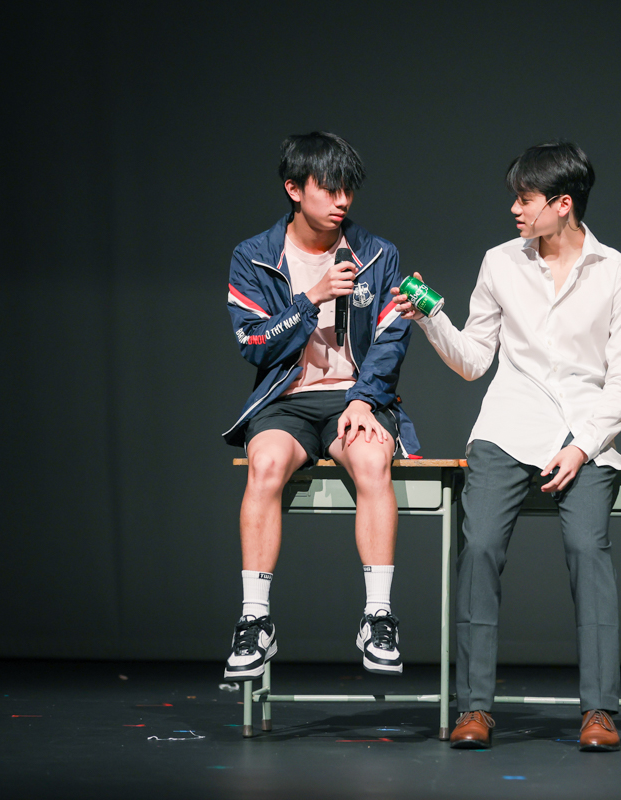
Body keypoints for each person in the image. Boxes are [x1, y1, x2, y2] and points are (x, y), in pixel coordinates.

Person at [392, 141, 621, 751]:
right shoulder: (499, 263)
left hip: (584, 431)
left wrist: (581, 447)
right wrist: (428, 317)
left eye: (526, 198)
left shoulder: (618, 272)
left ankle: (599, 712)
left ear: (563, 204)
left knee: (588, 549)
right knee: (478, 546)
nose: (515, 208)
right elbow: (475, 361)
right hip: (508, 425)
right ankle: (475, 708)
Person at [222, 132, 420, 682]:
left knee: (373, 459)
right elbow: (253, 343)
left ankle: (378, 617)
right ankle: (254, 621)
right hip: (285, 400)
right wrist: (310, 299)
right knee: (264, 464)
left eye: (347, 190)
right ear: (294, 189)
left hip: (354, 398)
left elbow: (391, 338)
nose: (341, 201)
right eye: (329, 189)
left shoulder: (377, 253)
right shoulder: (253, 256)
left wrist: (364, 400)